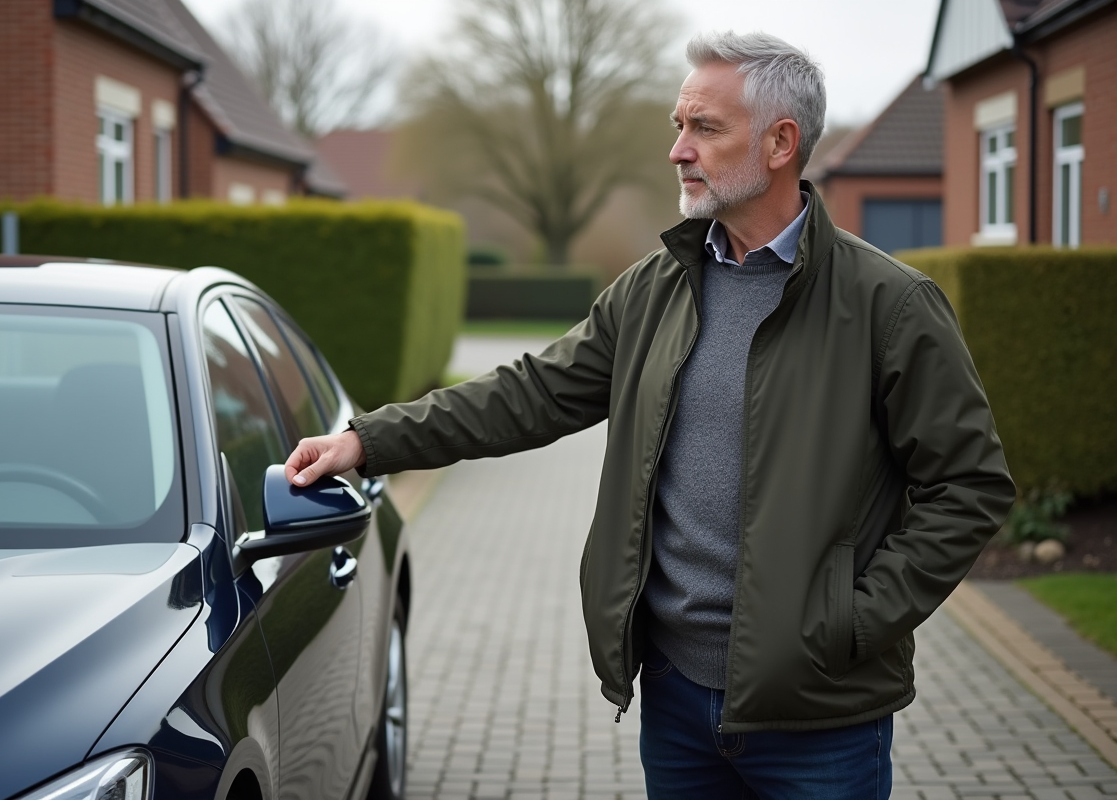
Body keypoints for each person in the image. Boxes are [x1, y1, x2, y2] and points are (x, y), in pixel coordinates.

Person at [285, 30, 1015, 800]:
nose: (677, 150)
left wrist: (856, 624)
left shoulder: (888, 306)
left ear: (780, 142)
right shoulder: (655, 289)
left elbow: (969, 488)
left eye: (704, 128)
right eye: (679, 126)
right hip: (674, 702)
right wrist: (369, 441)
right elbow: (529, 393)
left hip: (820, 717)